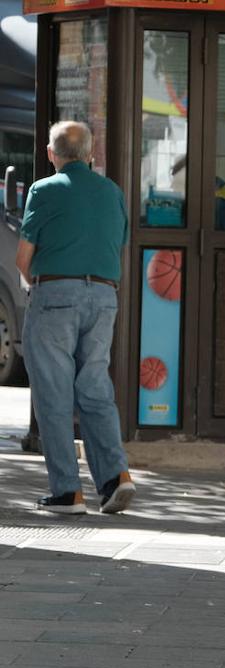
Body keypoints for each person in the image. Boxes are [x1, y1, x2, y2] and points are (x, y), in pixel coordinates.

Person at [15, 121, 135, 516]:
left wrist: (38, 288)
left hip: (55, 295)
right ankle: (115, 476)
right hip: (103, 296)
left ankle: (68, 492)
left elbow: (23, 258)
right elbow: (116, 245)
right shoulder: (113, 192)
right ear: (90, 153)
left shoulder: (43, 190)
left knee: (53, 394)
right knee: (95, 388)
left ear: (52, 154)